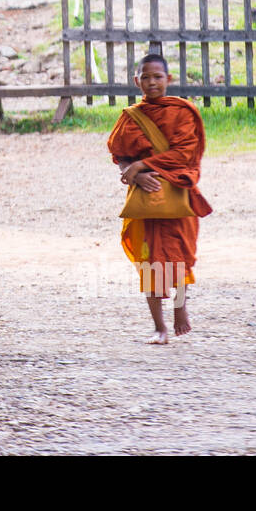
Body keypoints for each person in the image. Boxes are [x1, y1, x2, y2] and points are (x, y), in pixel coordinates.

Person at [107, 52, 213, 345]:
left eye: (157, 77)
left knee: (177, 258)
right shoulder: (130, 117)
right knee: (150, 262)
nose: (151, 83)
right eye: (145, 77)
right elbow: (121, 156)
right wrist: (135, 174)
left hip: (178, 194)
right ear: (136, 80)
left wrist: (143, 165)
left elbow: (185, 154)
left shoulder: (183, 112)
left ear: (169, 79)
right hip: (146, 197)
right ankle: (159, 326)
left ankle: (180, 310)